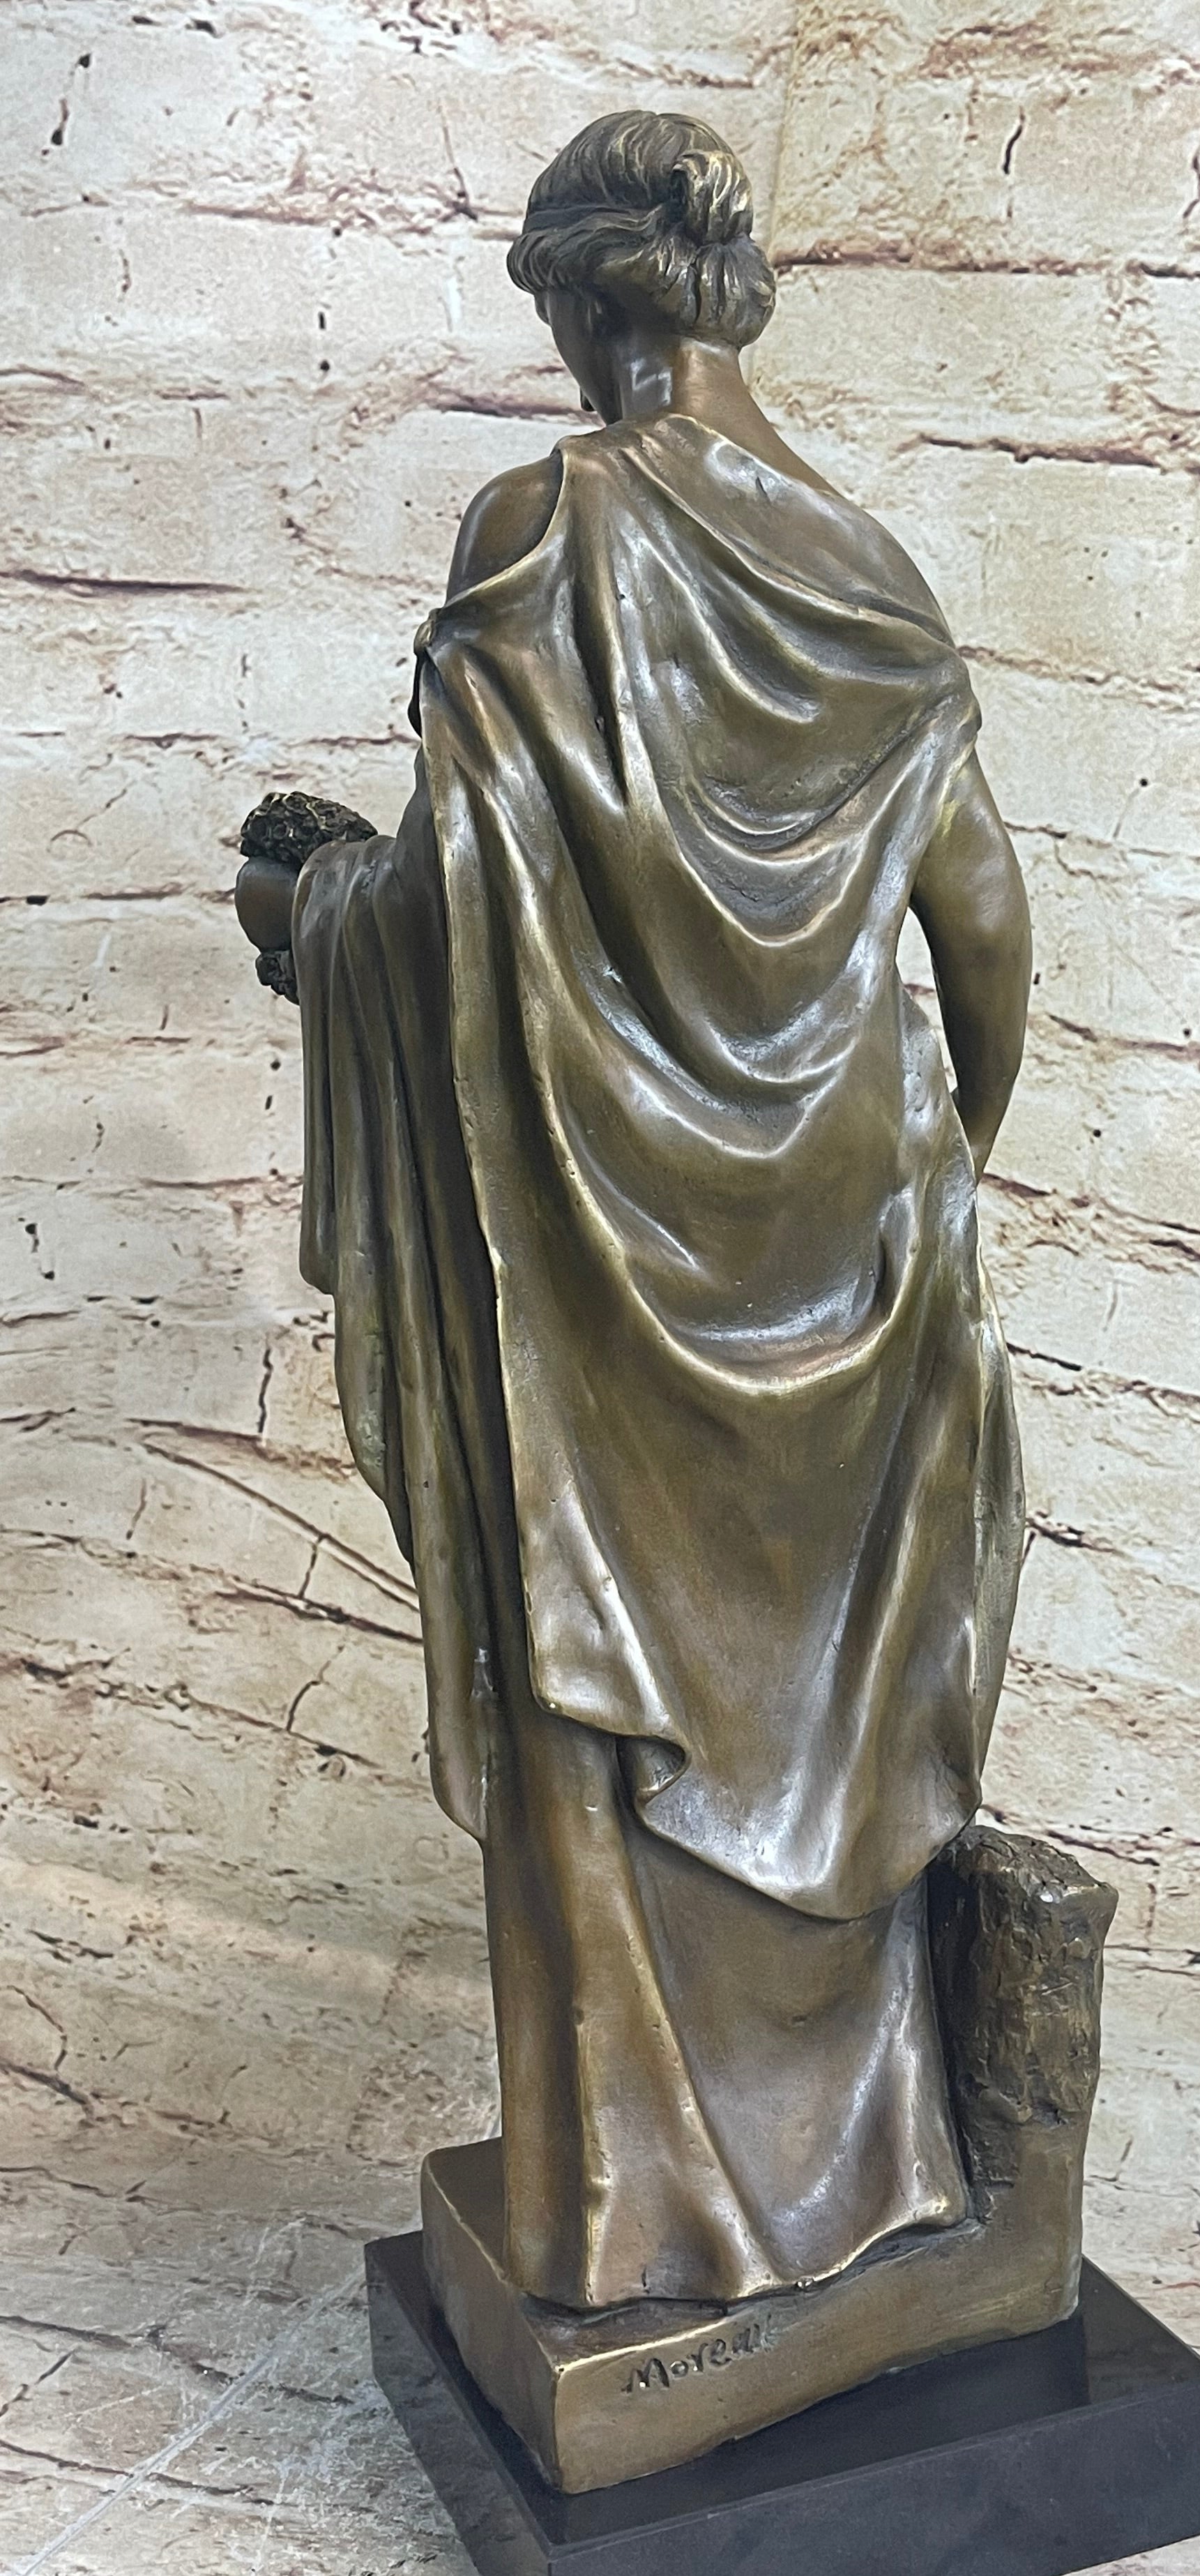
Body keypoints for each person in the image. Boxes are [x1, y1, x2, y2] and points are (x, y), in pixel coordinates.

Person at [236, 110, 1031, 2313]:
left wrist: (313, 914)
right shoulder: (872, 577)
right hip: (854, 1267)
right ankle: (864, 2186)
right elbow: (983, 925)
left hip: (588, 1277)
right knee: (818, 1713)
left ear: (588, 303)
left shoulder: (540, 532)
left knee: (612, 1705)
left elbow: (452, 913)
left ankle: (651, 2216)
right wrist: (924, 1201)